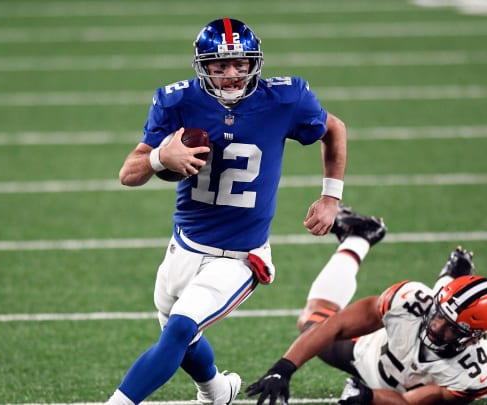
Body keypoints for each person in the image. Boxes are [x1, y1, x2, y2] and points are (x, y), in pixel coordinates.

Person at [107, 17, 347, 405]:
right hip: (182, 246)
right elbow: (127, 174)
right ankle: (217, 391)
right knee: (183, 337)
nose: (232, 75)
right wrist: (159, 157)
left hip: (239, 256)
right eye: (220, 66)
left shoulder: (285, 99)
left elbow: (334, 128)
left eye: (240, 64)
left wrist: (330, 197)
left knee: (179, 332)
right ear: (203, 67)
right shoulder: (178, 101)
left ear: (255, 63)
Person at [246, 205, 487, 405]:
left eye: (450, 328)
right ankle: (358, 237)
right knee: (311, 322)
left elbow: (407, 401)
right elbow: (334, 326)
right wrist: (284, 368)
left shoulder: (475, 373)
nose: (436, 326)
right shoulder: (412, 300)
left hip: (397, 385)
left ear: (475, 338)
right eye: (437, 315)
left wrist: (369, 397)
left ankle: (453, 278)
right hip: (368, 352)